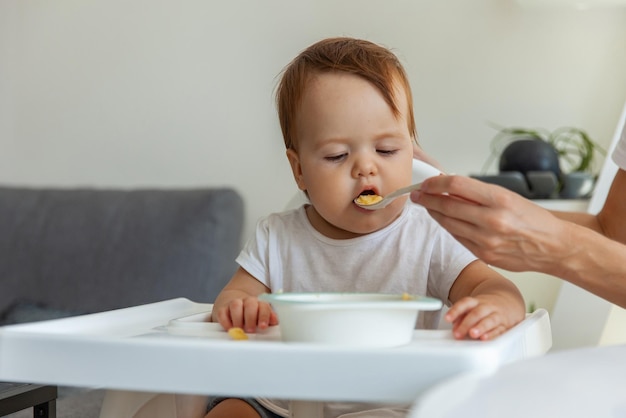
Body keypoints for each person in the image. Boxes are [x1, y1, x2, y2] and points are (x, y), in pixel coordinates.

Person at [206, 37, 525, 418]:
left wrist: (495, 306)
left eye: (387, 150)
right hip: (281, 401)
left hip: (394, 404)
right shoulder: (277, 236)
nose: (365, 167)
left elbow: (493, 286)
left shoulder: (429, 234)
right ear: (299, 170)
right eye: (337, 155)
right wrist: (239, 307)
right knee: (229, 410)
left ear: (411, 152)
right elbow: (233, 296)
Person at [410, 125, 626, 308]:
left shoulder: (430, 240)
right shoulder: (425, 224)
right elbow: (612, 232)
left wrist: (559, 245)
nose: (373, 166)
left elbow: (497, 294)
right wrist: (463, 204)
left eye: (386, 150)